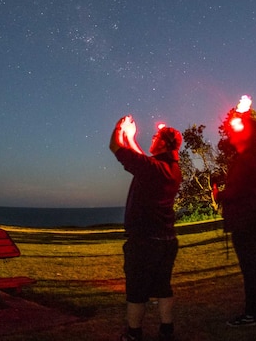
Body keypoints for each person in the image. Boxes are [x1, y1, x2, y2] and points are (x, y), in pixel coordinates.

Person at [109, 115, 183, 341]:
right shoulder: (171, 169)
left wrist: (119, 129)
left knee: (137, 292)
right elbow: (144, 160)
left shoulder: (152, 168)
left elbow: (114, 147)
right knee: (163, 288)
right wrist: (131, 138)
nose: (152, 138)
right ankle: (166, 331)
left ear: (163, 144)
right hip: (167, 241)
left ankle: (133, 335)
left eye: (156, 137)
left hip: (144, 243)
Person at [213, 96, 256, 326]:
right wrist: (242, 116)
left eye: (237, 130)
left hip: (246, 219)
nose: (231, 132)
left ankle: (251, 313)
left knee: (250, 265)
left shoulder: (246, 158)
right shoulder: (249, 156)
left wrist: (218, 194)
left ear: (245, 135)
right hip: (255, 216)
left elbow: (235, 192)